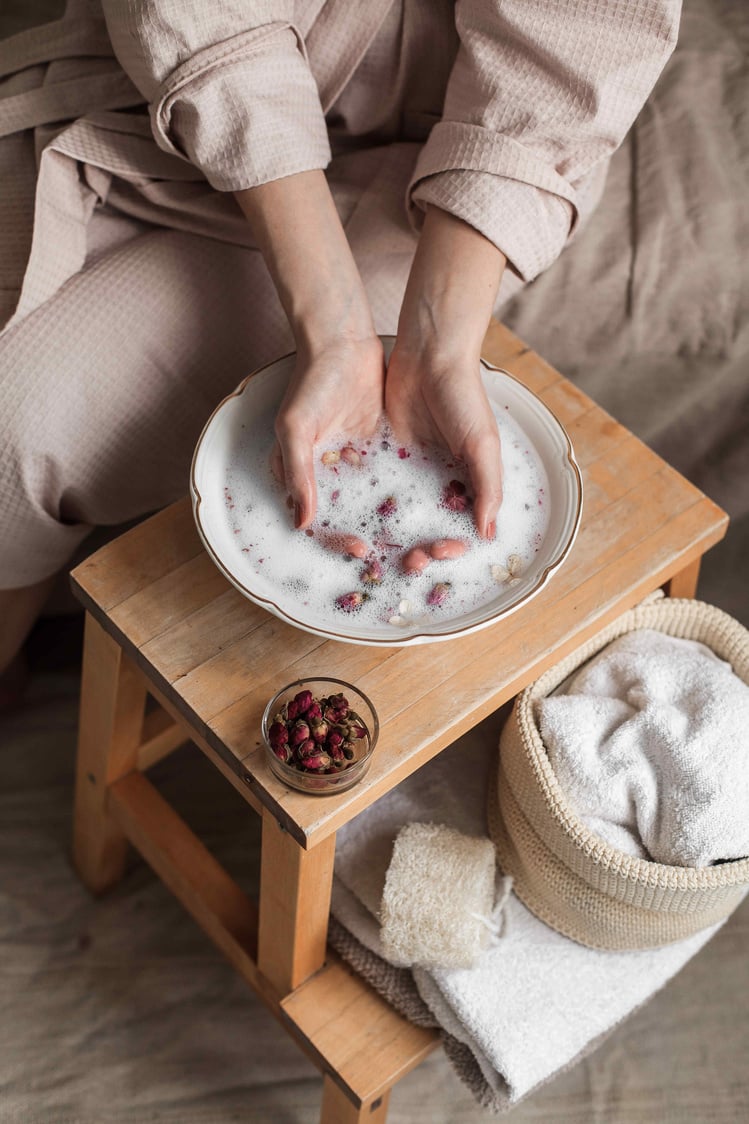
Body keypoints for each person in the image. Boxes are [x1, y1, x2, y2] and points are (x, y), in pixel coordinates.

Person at [0, 0, 681, 696]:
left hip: (457, 179)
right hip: (196, 86)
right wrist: (336, 334)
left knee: (19, 417)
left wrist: (436, 352)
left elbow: (575, 45)